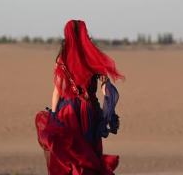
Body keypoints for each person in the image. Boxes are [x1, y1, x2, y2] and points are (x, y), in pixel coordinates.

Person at [36, 20, 123, 174]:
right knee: (90, 151)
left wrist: (54, 116)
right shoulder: (93, 58)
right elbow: (105, 88)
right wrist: (109, 107)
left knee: (72, 154)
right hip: (90, 112)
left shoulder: (62, 59)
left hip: (69, 113)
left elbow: (57, 90)